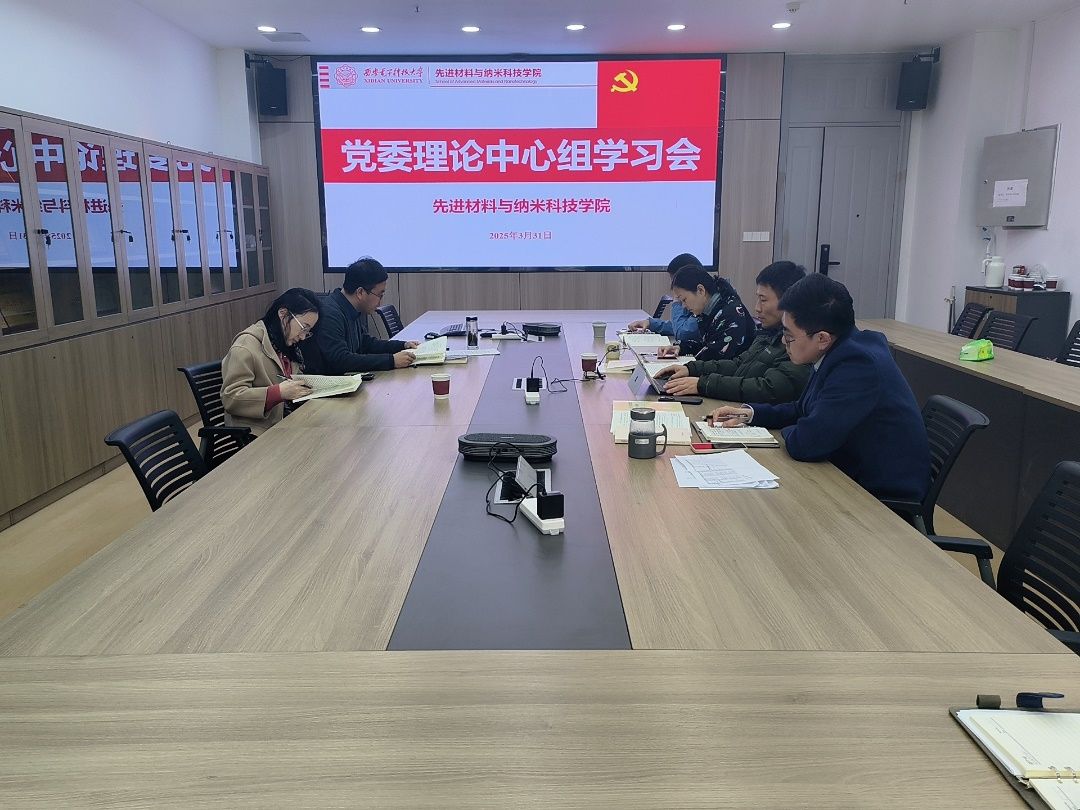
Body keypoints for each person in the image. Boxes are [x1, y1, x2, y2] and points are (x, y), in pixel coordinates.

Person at [708, 273, 930, 502]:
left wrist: (792, 429)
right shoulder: (840, 349)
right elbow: (803, 409)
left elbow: (805, 443)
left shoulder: (857, 365)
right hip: (848, 474)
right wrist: (750, 414)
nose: (783, 342)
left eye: (789, 335)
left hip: (881, 499)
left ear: (822, 338)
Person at [656, 261, 811, 402]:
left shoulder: (798, 343)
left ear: (789, 300)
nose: (757, 308)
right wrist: (690, 369)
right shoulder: (768, 333)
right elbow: (739, 364)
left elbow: (767, 389)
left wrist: (703, 384)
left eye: (763, 300)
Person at [220, 287, 321, 435]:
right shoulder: (245, 346)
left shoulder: (284, 344)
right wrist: (278, 393)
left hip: (287, 424)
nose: (303, 336)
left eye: (307, 331)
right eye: (303, 328)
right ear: (283, 313)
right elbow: (231, 398)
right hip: (255, 433)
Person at [307, 257, 419, 374]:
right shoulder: (330, 314)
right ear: (360, 292)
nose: (380, 302)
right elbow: (341, 360)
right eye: (379, 295)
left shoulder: (350, 307)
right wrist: (391, 361)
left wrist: (402, 345)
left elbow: (365, 344)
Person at [667, 265, 756, 362]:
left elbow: (717, 358)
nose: (684, 306)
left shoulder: (730, 313)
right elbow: (709, 345)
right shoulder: (711, 310)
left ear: (701, 290)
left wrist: (689, 368)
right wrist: (682, 347)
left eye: (684, 300)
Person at [626, 253, 704, 343]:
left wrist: (677, 301)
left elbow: (682, 333)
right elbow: (680, 326)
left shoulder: (703, 305)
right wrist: (651, 324)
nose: (672, 285)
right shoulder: (697, 299)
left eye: (674, 280)